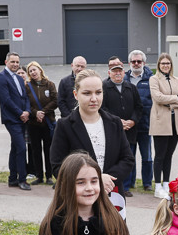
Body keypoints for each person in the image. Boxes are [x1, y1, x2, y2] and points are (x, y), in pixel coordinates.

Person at [50, 68, 134, 193]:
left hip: (112, 193)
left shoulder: (115, 122)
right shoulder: (64, 126)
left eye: (98, 92)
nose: (94, 98)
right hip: (79, 195)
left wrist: (108, 180)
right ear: (76, 94)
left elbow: (127, 159)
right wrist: (95, 180)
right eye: (87, 93)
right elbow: (58, 166)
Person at [101, 56, 144, 196]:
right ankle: (116, 185)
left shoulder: (131, 87)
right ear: (109, 73)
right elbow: (102, 108)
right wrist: (117, 121)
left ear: (124, 72)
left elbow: (139, 107)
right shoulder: (104, 87)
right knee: (115, 158)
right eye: (114, 71)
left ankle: (127, 185)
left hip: (130, 130)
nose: (117, 73)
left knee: (129, 157)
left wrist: (133, 121)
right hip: (112, 130)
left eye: (120, 71)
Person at [148, 52, 178, 198]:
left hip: (174, 123)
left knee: (169, 155)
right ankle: (157, 186)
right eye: (163, 63)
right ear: (159, 65)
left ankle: (166, 184)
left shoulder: (176, 80)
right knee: (160, 156)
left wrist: (170, 102)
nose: (165, 66)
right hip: (160, 123)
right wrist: (175, 98)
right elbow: (157, 97)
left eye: (168, 63)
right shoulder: (154, 79)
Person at [0, 52, 32, 191]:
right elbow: (6, 99)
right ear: (6, 62)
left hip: (23, 118)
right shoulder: (1, 77)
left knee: (16, 147)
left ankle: (12, 179)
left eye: (17, 62)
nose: (15, 64)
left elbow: (25, 97)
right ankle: (22, 179)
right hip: (12, 119)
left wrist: (27, 111)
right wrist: (20, 113)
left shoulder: (18, 78)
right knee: (22, 148)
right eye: (12, 62)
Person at [24, 60, 58, 185]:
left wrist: (43, 112)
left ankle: (49, 176)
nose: (33, 72)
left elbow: (55, 100)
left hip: (48, 123)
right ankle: (39, 176)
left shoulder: (50, 84)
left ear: (40, 70)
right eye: (30, 71)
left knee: (49, 150)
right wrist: (35, 113)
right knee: (36, 150)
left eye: (34, 69)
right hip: (33, 124)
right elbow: (26, 102)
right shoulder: (27, 87)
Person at [126, 49, 154, 193]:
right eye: (133, 61)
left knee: (147, 156)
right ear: (129, 63)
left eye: (139, 61)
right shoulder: (124, 79)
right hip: (129, 125)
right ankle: (131, 182)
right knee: (129, 156)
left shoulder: (151, 79)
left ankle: (147, 183)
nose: (136, 64)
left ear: (144, 62)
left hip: (145, 124)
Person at [56, 54, 87, 119]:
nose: (79, 69)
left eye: (82, 66)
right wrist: (69, 117)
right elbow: (60, 101)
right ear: (72, 66)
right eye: (77, 66)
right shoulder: (64, 81)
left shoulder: (89, 81)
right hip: (68, 118)